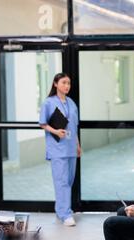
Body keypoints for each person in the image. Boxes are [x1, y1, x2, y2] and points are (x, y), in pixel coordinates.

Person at [39, 73, 81, 227]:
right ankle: (65, 214)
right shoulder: (48, 103)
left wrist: (77, 145)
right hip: (57, 148)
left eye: (69, 83)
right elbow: (43, 123)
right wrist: (56, 132)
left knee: (69, 181)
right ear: (56, 84)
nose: (67, 86)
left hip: (70, 147)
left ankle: (60, 210)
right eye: (64, 82)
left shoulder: (71, 103)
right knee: (61, 182)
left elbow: (74, 127)